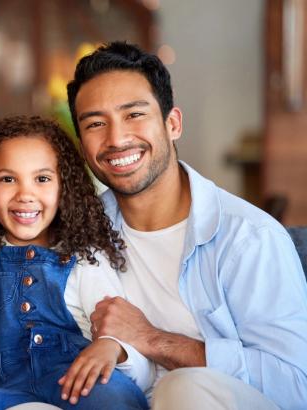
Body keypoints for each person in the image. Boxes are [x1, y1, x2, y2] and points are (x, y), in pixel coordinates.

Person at [66, 41, 307, 410]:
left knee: (185, 388)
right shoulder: (82, 235)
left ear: (173, 123)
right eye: (96, 124)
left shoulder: (249, 237)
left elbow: (296, 384)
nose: (116, 139)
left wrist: (152, 339)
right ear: (82, 143)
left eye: (134, 115)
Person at [0, 116, 152, 410]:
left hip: (79, 384)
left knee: (114, 397)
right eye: (7, 179)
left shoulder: (84, 257)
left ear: (66, 185)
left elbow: (138, 360)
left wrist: (112, 347)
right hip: (11, 392)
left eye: (42, 179)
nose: (25, 194)